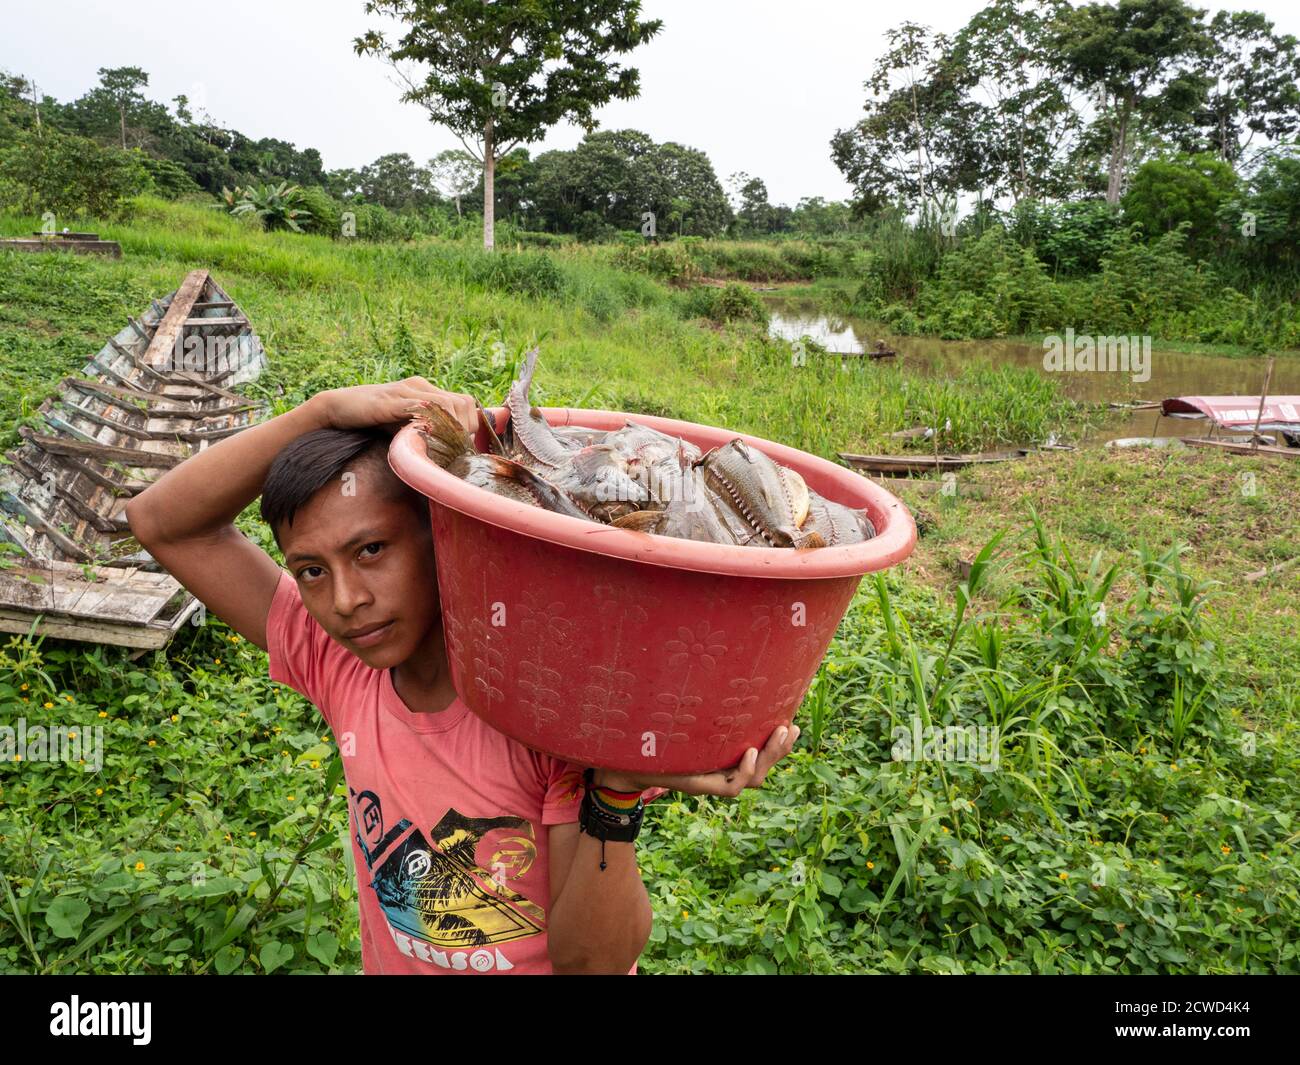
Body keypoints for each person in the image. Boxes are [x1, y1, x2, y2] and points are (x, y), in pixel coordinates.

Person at [126, 377, 799, 974]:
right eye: (311, 570)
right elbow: (163, 523)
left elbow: (592, 963)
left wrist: (615, 787)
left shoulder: (544, 704)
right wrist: (322, 411)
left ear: (442, 530)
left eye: (371, 550)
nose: (345, 599)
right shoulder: (336, 661)